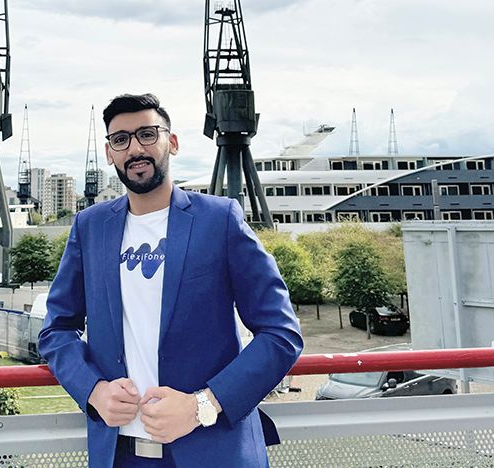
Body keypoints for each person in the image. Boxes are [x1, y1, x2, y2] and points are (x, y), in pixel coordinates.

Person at [38, 93, 303, 468]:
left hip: (213, 450)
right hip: (119, 456)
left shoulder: (220, 220)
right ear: (110, 153)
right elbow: (56, 330)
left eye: (147, 134)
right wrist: (93, 390)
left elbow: (281, 333)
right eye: (121, 140)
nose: (135, 148)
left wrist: (201, 406)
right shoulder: (90, 227)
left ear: (172, 142)